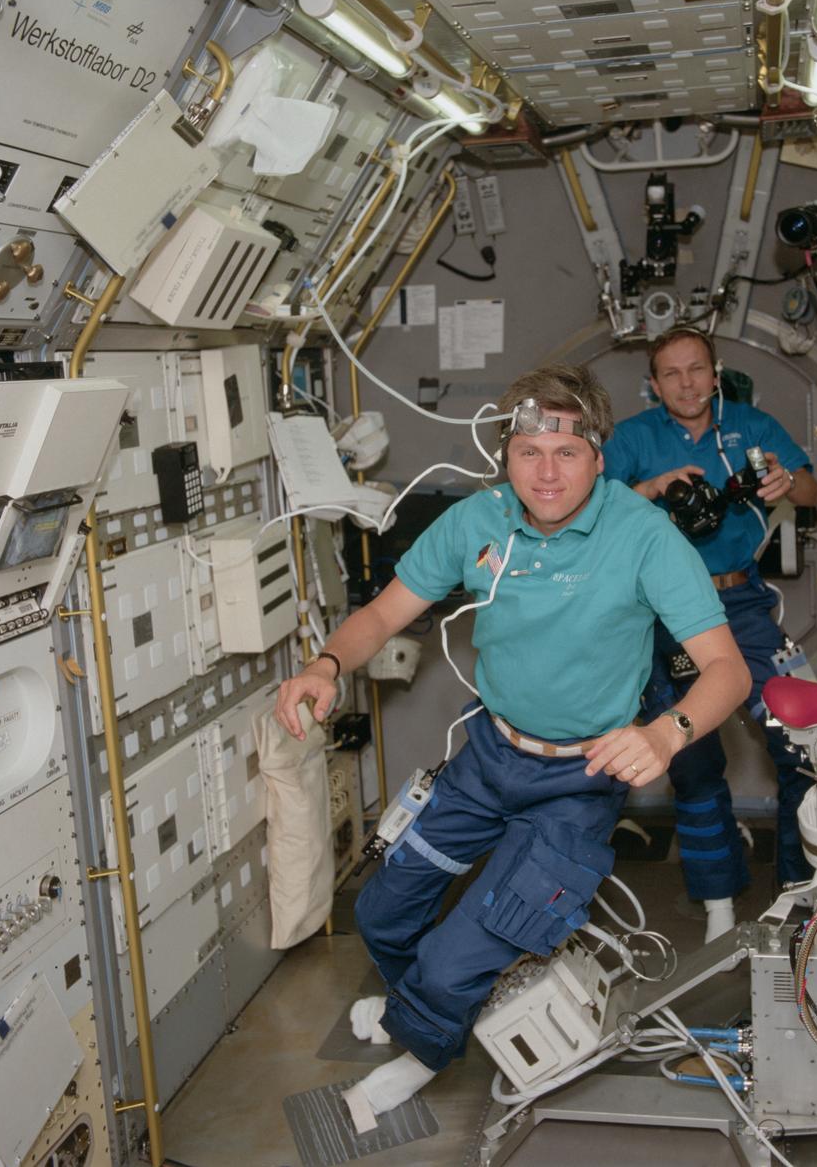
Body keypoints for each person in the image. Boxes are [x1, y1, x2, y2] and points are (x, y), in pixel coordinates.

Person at [275, 362, 749, 1133]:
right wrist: (325, 665)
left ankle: (423, 1047)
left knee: (462, 951)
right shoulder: (480, 521)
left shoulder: (643, 536)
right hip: (489, 757)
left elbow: (728, 669)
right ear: (505, 454)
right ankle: (420, 1007)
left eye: (567, 452)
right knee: (384, 911)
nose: (547, 472)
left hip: (580, 779)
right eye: (529, 451)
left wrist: (668, 731)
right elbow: (384, 614)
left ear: (598, 456)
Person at [602, 326, 817, 937]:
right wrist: (650, 489)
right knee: (691, 759)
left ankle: (797, 894)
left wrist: (786, 483)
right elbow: (591, 510)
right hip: (666, 614)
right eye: (671, 374)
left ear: (715, 372)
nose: (686, 384)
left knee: (800, 745)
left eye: (696, 369)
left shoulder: (750, 427)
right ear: (653, 384)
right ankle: (718, 903)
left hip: (740, 603)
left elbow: (810, 489)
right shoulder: (634, 439)